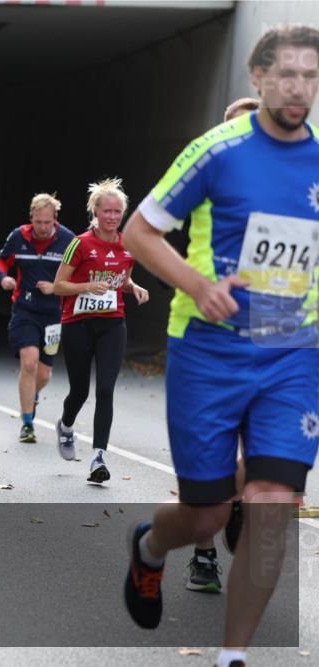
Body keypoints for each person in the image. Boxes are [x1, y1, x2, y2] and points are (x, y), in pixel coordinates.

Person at [120, 26, 319, 667]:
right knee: (206, 517)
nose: (299, 87)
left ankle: (232, 656)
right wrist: (200, 285)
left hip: (293, 356)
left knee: (271, 508)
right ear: (258, 79)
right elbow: (139, 233)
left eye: (310, 76)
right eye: (286, 74)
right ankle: (151, 547)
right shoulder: (217, 150)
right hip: (210, 350)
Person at [184, 95, 260, 594]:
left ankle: (232, 500)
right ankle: (204, 556)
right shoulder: (204, 180)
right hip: (209, 333)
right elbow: (145, 230)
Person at [52, 178, 150, 483]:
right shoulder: (79, 244)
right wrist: (86, 286)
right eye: (106, 211)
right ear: (95, 211)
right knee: (79, 391)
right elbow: (58, 286)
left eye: (117, 211)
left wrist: (134, 287)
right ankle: (66, 426)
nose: (112, 216)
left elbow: (121, 279)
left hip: (112, 323)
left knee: (105, 389)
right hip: (77, 324)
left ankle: (98, 457)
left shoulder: (128, 246)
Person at [0, 193, 76, 443]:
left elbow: (79, 275)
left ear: (55, 220)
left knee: (43, 375)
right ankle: (28, 423)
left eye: (47, 223)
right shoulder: (18, 236)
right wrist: (4, 278)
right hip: (25, 310)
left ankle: (32, 396)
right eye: (38, 222)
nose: (42, 228)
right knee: (29, 363)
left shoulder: (68, 241)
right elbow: (0, 260)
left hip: (54, 314)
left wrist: (56, 287)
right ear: (32, 218)